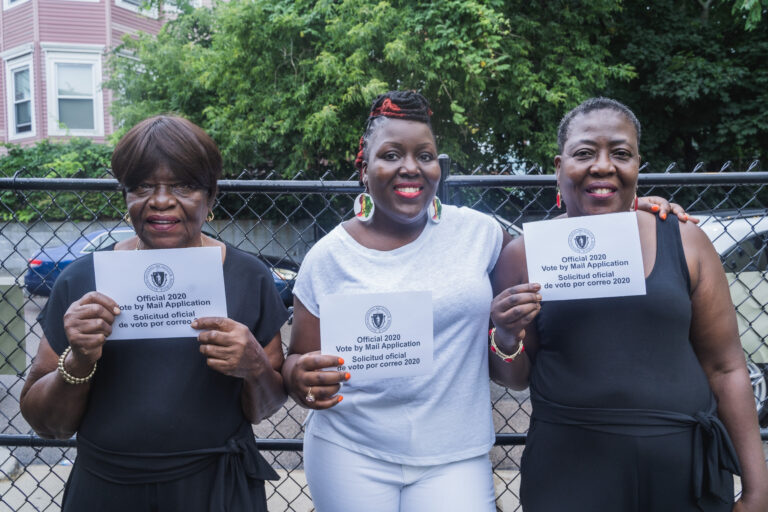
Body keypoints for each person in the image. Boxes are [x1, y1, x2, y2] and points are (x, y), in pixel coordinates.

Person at [282, 91, 688, 512]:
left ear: (439, 167)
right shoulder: (328, 256)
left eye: (425, 155)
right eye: (391, 155)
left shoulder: (478, 233)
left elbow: (562, 247)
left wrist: (625, 208)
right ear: (364, 168)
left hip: (455, 453)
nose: (411, 167)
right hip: (350, 449)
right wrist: (300, 377)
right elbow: (296, 361)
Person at [490, 97, 768, 511]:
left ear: (637, 164)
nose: (603, 166)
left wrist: (758, 487)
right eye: (584, 153)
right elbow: (513, 378)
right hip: (569, 471)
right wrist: (507, 334)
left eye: (620, 153)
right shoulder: (523, 254)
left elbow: (726, 367)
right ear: (558, 166)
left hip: (681, 472)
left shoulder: (683, 239)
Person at [19, 115, 289, 512]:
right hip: (108, 490)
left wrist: (254, 367)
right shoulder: (83, 281)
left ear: (210, 195)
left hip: (216, 489)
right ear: (126, 196)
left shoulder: (248, 276)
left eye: (183, 185)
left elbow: (265, 407)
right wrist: (78, 358)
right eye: (143, 185)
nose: (161, 200)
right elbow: (47, 425)